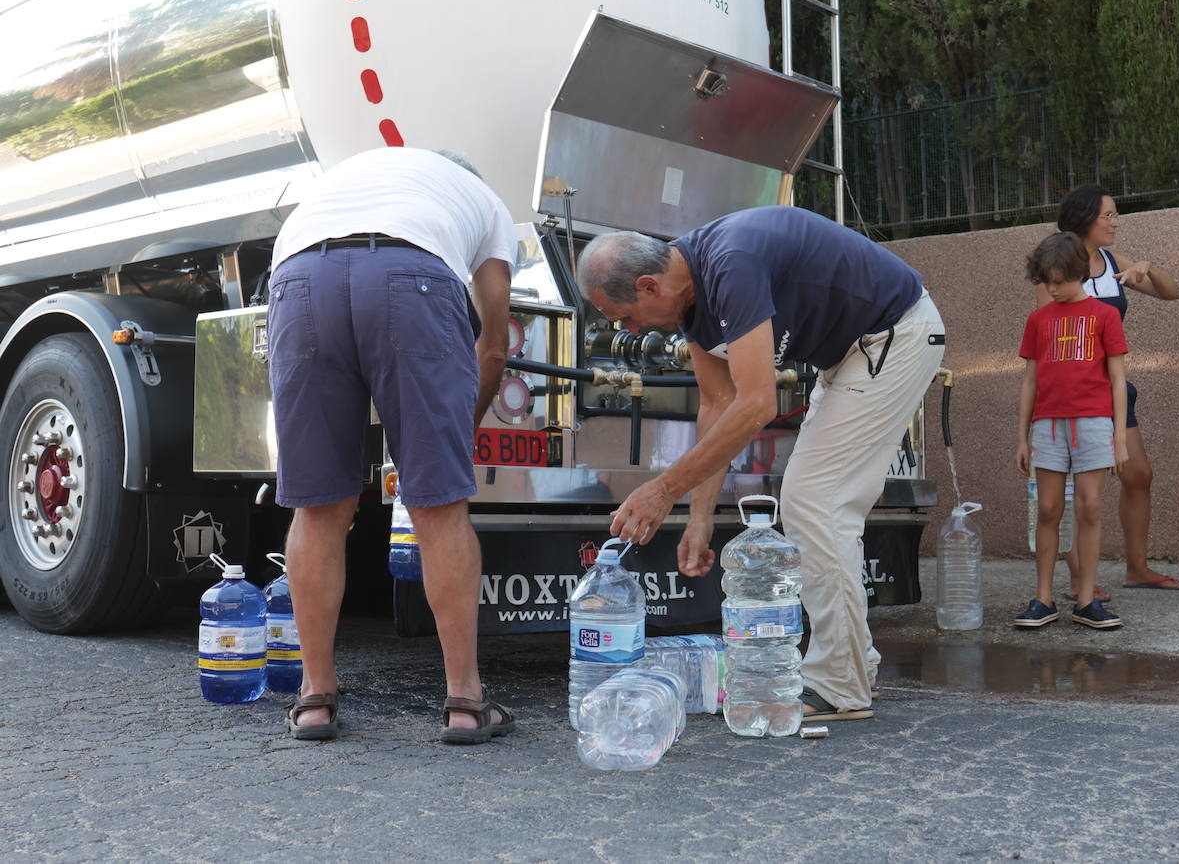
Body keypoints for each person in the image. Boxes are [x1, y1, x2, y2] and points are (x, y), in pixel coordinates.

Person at [576, 206, 945, 722]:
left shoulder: (731, 263)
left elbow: (757, 405)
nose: (629, 332)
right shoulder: (690, 293)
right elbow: (716, 404)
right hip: (853, 352)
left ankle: (841, 684)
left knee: (815, 503)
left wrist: (662, 490)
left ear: (646, 287)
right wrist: (698, 517)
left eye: (624, 317)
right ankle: (851, 666)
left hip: (894, 334)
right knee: (815, 504)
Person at [268, 146, 517, 742]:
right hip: (412, 281)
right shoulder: (484, 202)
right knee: (436, 506)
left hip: (299, 280)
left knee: (319, 508)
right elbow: (495, 345)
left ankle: (315, 699)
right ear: (468, 177)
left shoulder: (358, 174)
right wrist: (460, 432)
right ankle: (466, 702)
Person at [1046, 186, 1179, 598]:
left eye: (1115, 215)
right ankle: (1077, 579)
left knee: (1138, 475)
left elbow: (1171, 291)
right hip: (1075, 393)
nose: (1114, 223)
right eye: (1107, 215)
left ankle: (1137, 568)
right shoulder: (1057, 260)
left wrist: (1147, 266)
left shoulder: (1110, 261)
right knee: (1077, 489)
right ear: (1085, 217)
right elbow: (1046, 329)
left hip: (1115, 388)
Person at [1015, 231, 1129, 630]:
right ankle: (1043, 598)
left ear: (1080, 274)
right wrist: (1022, 436)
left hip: (1094, 423)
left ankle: (1086, 599)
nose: (1052, 288)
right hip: (1048, 424)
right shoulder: (1038, 320)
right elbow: (1029, 380)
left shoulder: (1105, 316)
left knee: (1090, 508)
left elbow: (1117, 379)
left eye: (1060, 280)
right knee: (1047, 509)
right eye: (1046, 279)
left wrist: (1120, 435)